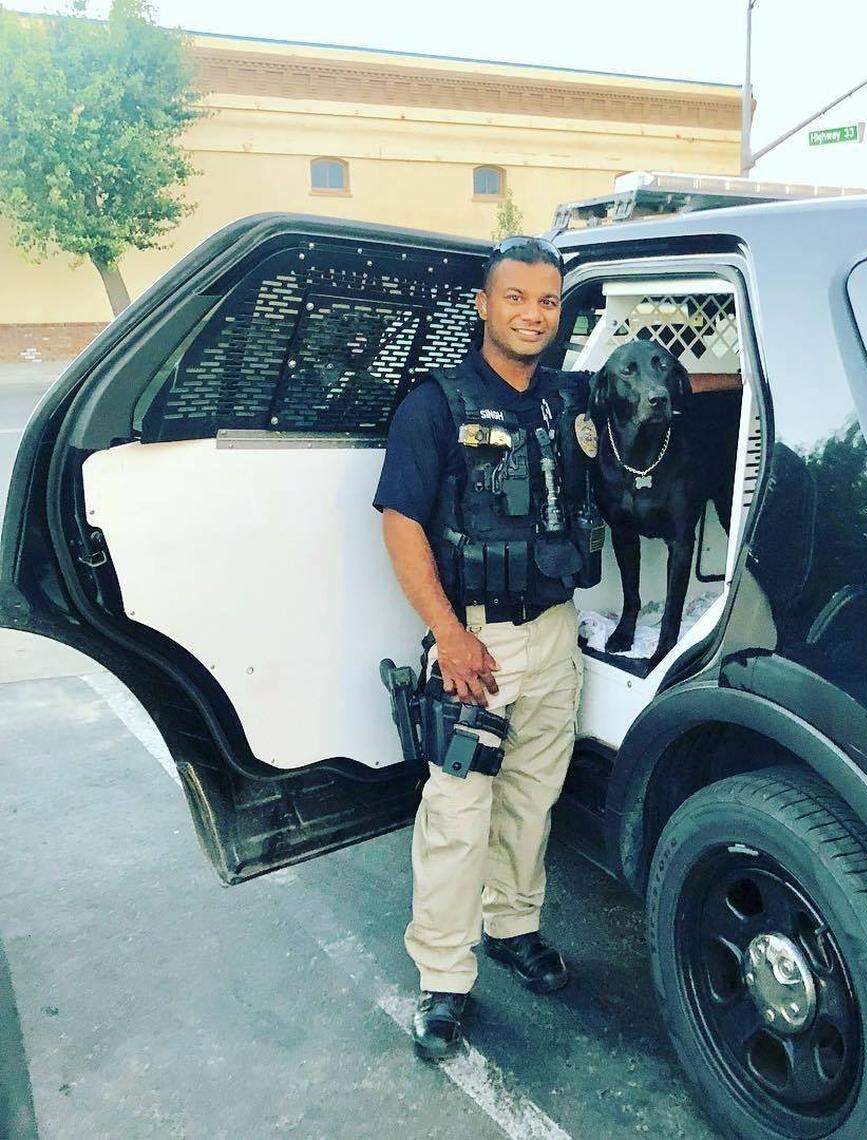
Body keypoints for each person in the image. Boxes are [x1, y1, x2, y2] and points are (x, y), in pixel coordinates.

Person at [373, 236, 598, 1061]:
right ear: (484, 305)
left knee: (533, 800)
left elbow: (674, 391)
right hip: (477, 643)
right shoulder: (434, 405)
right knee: (457, 815)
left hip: (552, 635)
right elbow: (400, 524)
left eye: (547, 301)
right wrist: (451, 635)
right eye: (516, 298)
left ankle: (512, 926)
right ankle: (442, 976)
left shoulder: (563, 397)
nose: (533, 314)